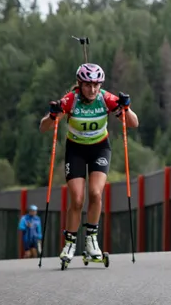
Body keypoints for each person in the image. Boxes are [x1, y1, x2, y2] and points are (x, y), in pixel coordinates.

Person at [38, 63, 139, 265]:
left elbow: (134, 123)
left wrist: (126, 109)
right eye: (87, 85)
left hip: (100, 149)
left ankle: (91, 241)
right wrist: (52, 115)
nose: (92, 89)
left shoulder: (106, 99)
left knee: (95, 193)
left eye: (96, 84)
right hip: (76, 150)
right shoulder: (70, 100)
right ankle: (70, 242)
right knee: (76, 198)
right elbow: (43, 128)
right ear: (79, 84)